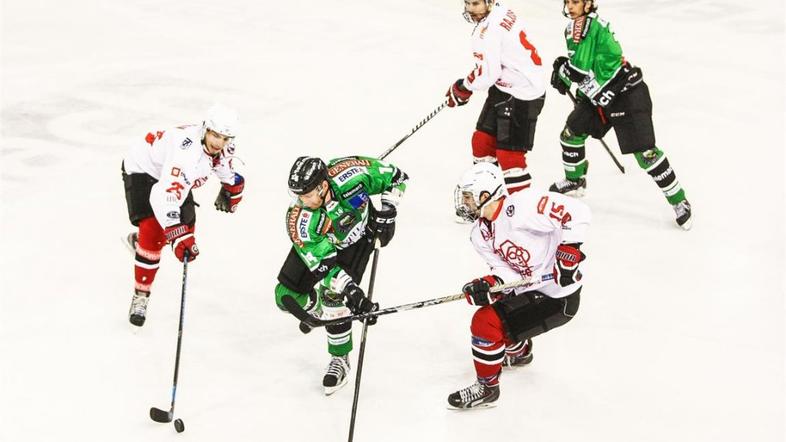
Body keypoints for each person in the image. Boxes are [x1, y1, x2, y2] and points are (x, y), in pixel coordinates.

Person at [448, 162, 590, 409]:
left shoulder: (522, 206)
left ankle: (487, 387)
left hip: (558, 297)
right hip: (530, 288)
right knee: (496, 309)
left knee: (484, 323)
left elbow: (577, 212)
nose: (465, 203)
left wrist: (569, 252)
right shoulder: (479, 234)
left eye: (469, 197)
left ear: (485, 195)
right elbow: (507, 270)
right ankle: (519, 351)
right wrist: (489, 285)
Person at [549, 0, 692, 229]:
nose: (570, 6)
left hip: (626, 93)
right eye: (567, 2)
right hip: (598, 97)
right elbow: (582, 67)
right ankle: (576, 180)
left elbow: (577, 71)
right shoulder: (572, 28)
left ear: (588, 4)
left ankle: (679, 200)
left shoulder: (589, 26)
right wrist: (563, 77)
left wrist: (563, 70)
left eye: (575, 1)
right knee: (570, 134)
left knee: (646, 154)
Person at [275, 155, 408, 395]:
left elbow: (398, 177)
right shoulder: (300, 220)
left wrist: (389, 210)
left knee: (333, 299)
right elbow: (324, 267)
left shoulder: (353, 174)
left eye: (306, 195)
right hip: (323, 245)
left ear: (323, 186)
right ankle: (315, 305)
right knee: (284, 296)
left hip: (359, 238)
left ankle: (340, 359)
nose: (301, 202)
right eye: (298, 196)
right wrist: (352, 291)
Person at [121, 104, 244, 327]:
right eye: (215, 135)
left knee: (186, 229)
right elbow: (162, 195)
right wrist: (176, 234)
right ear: (206, 129)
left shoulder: (224, 145)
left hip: (170, 175)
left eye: (225, 138)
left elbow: (223, 165)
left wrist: (232, 185)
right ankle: (141, 294)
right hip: (143, 168)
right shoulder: (186, 153)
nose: (219, 142)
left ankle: (143, 245)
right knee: (155, 232)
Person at [446, 0, 546, 194]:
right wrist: (466, 86)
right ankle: (485, 198)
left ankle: (520, 212)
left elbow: (488, 74)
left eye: (476, 3)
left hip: (523, 94)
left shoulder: (491, 30)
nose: (471, 9)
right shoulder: (499, 13)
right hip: (505, 87)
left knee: (510, 157)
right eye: (468, 3)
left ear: (490, 2)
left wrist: (463, 87)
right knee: (482, 142)